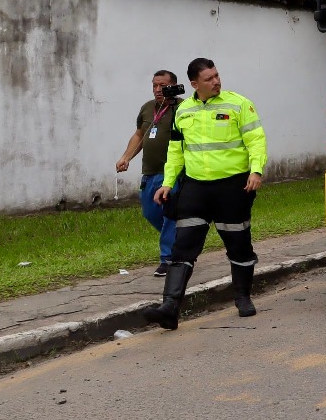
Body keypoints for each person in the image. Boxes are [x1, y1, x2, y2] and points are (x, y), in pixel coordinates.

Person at [143, 58, 268, 330]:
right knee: (182, 247)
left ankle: (243, 297)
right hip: (195, 188)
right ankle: (170, 308)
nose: (216, 81)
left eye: (217, 76)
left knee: (239, 246)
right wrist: (167, 182)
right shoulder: (183, 110)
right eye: (209, 79)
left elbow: (256, 140)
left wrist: (256, 171)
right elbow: (176, 151)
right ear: (194, 84)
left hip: (233, 186)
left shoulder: (239, 103)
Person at [115, 70, 181, 276]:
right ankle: (182, 240)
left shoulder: (183, 108)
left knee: (169, 214)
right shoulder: (147, 108)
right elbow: (139, 135)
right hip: (150, 173)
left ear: (173, 86)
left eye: (162, 85)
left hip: (172, 173)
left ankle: (168, 259)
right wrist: (126, 157)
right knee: (150, 212)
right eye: (154, 85)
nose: (157, 90)